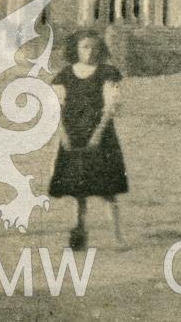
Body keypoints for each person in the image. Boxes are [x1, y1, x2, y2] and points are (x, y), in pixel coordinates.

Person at [48, 30, 127, 250]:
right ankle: (79, 232)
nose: (89, 52)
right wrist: (63, 134)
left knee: (107, 189)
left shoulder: (107, 73)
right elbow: (57, 110)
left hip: (100, 136)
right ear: (75, 49)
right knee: (78, 190)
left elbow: (110, 108)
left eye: (93, 47)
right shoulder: (64, 75)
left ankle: (118, 236)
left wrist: (98, 134)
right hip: (74, 135)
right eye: (84, 47)